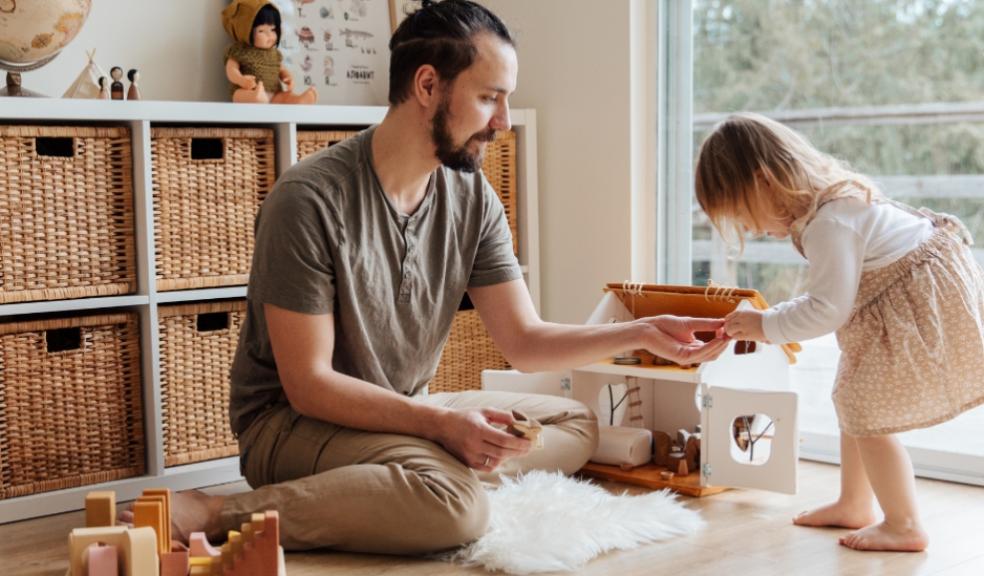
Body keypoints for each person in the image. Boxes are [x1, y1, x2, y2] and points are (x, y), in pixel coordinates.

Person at [137, 0, 729, 555]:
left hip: (401, 409)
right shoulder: (310, 198)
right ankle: (220, 512)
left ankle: (411, 476)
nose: (501, 122)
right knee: (457, 509)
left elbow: (524, 342)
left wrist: (643, 333)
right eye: (489, 98)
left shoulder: (472, 196)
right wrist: (442, 426)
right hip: (293, 425)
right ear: (427, 86)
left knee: (571, 423)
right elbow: (310, 385)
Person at [695, 112, 984, 552]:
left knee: (867, 410)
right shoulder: (829, 206)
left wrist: (766, 325)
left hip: (918, 307)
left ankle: (904, 524)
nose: (750, 229)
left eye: (742, 213)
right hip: (901, 297)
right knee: (855, 397)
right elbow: (830, 298)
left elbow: (828, 309)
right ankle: (854, 503)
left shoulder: (829, 223)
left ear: (765, 181)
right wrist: (769, 318)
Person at [221, 0, 318, 104]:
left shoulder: (274, 54)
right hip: (249, 90)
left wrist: (287, 76)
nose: (269, 35)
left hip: (274, 94)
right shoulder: (239, 51)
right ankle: (256, 97)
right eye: (261, 31)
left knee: (285, 97)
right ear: (244, 31)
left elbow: (280, 69)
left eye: (272, 30)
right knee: (239, 95)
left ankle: (298, 101)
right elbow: (231, 70)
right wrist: (241, 80)